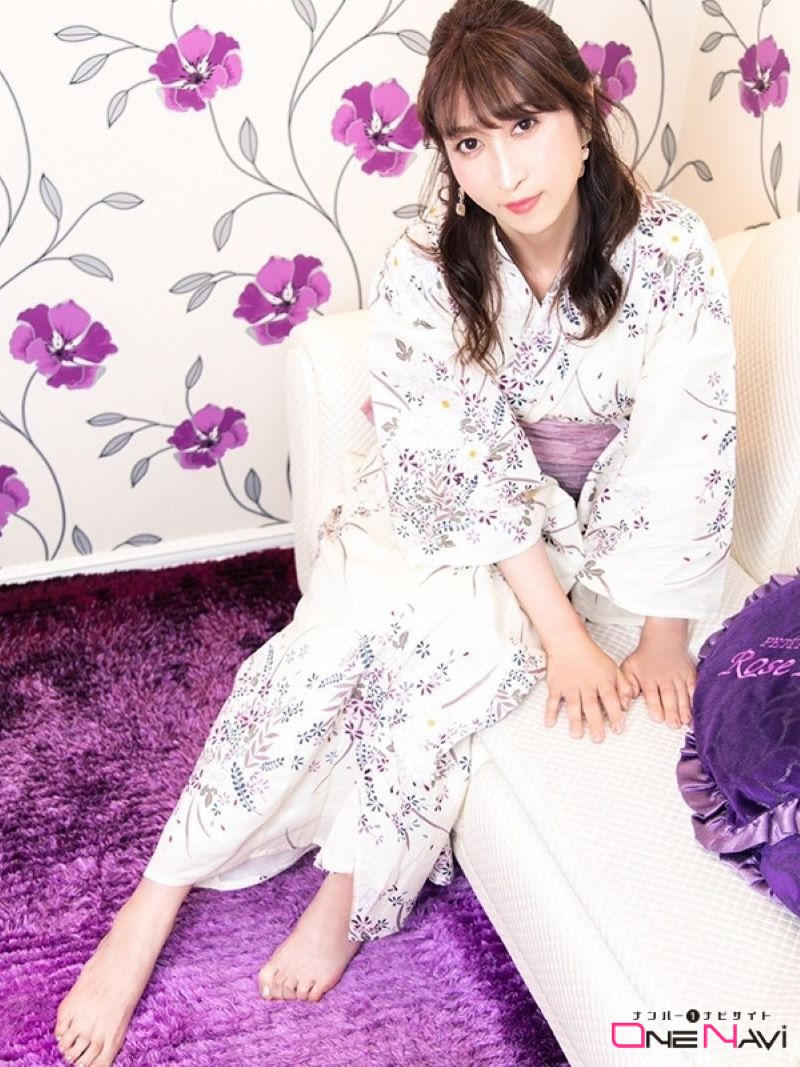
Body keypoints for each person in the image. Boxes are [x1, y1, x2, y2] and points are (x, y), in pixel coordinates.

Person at [52, 0, 736, 1063]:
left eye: (525, 125)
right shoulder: (427, 263)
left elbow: (682, 442)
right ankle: (158, 889)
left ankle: (346, 887)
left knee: (461, 656)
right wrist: (561, 636)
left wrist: (659, 634)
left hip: (589, 527)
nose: (503, 169)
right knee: (332, 642)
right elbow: (454, 454)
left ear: (583, 116)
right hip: (435, 505)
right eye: (469, 142)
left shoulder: (672, 250)